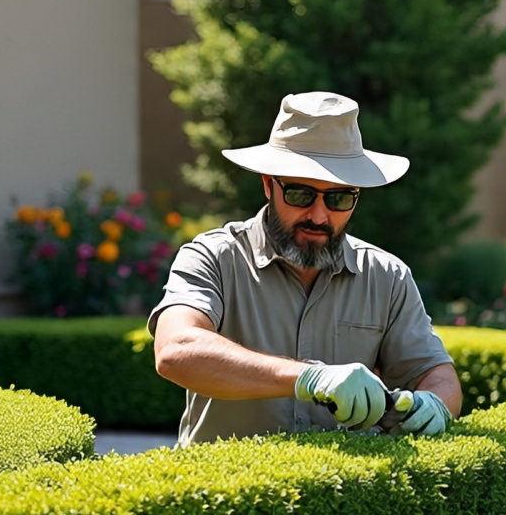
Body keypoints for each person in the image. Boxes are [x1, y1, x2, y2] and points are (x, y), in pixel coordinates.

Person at [149, 91, 462, 447]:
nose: (318, 215)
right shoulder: (213, 257)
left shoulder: (387, 276)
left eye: (339, 198)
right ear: (268, 183)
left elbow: (436, 374)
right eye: (300, 194)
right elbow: (175, 351)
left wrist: (435, 403)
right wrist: (309, 378)